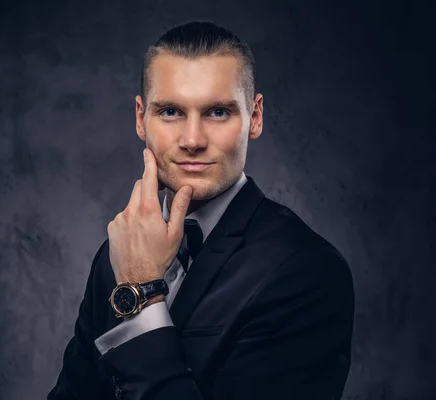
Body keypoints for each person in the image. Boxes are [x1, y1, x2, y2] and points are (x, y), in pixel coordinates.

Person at [48, 20, 354, 400]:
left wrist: (141, 289)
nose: (192, 140)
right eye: (171, 111)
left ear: (255, 117)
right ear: (141, 118)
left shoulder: (308, 271)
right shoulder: (119, 250)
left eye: (218, 112)